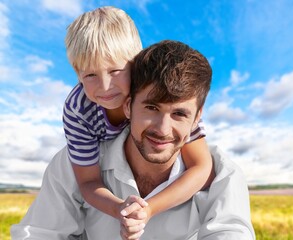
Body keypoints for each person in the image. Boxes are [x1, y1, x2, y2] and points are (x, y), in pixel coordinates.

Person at [11, 40, 255, 240]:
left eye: (179, 114)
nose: (163, 129)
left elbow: (230, 233)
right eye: (151, 107)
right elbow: (38, 233)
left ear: (197, 119)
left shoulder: (224, 174)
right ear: (128, 107)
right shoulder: (73, 163)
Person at [62, 6, 214, 230]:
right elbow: (87, 181)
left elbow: (201, 166)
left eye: (115, 71)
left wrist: (149, 208)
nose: (105, 87)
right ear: (77, 74)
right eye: (90, 75)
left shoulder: (160, 92)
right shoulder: (78, 110)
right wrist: (119, 208)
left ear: (135, 63)